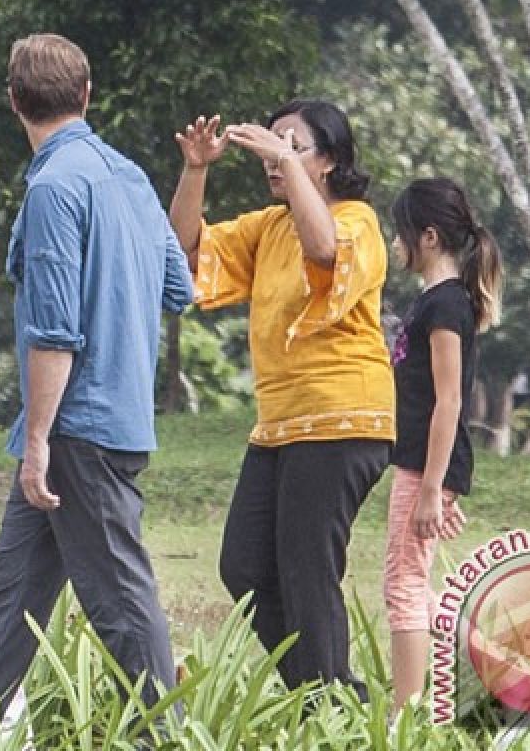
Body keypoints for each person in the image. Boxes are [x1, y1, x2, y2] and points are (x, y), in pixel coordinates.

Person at [0, 33, 193, 722]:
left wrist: (36, 443)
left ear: (13, 102)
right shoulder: (129, 176)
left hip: (74, 430)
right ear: (86, 95)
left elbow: (55, 331)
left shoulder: (55, 187)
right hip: (112, 415)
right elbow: (178, 286)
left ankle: (162, 734)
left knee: (119, 596)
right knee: (15, 595)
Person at [168, 102, 393, 701]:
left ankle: (328, 703)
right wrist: (196, 171)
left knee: (306, 569)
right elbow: (185, 252)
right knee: (242, 565)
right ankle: (325, 695)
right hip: (279, 425)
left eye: (294, 146)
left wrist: (282, 161)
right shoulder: (269, 227)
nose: (276, 157)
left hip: (344, 419)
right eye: (274, 143)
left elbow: (325, 252)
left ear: (331, 161)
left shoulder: (358, 221)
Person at [385, 177, 502, 712]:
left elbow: (449, 401)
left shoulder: (447, 305)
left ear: (428, 237)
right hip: (421, 464)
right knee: (415, 579)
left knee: (403, 584)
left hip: (425, 466)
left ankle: (404, 717)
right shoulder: (434, 301)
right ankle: (498, 664)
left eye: (401, 233)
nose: (395, 244)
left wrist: (433, 486)